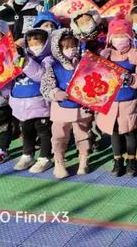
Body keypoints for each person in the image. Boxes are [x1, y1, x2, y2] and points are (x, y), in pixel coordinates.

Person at [40, 29, 93, 179]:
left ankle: (84, 159)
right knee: (59, 135)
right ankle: (59, 161)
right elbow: (46, 85)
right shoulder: (52, 65)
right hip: (61, 107)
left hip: (81, 107)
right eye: (67, 47)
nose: (71, 50)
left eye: (73, 46)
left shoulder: (83, 62)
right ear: (59, 49)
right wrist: (55, 93)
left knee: (82, 134)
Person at [97, 15, 137, 177]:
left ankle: (132, 160)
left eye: (122, 36)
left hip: (129, 100)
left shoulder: (135, 54)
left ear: (129, 37)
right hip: (111, 101)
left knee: (130, 131)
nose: (119, 40)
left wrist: (131, 78)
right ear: (110, 38)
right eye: (116, 36)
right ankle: (117, 160)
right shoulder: (106, 55)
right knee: (115, 132)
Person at [9, 28, 52, 173]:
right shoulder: (20, 57)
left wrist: (26, 62)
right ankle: (27, 154)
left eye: (37, 42)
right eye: (30, 42)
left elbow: (41, 76)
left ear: (45, 43)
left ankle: (44, 158)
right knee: (26, 131)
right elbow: (10, 79)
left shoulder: (47, 59)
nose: (34, 45)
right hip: (21, 105)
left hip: (39, 103)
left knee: (44, 132)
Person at [0, 20, 14, 164]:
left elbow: (11, 74)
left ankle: (3, 149)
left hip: (1, 99)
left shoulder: (8, 53)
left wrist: (3, 92)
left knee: (3, 126)